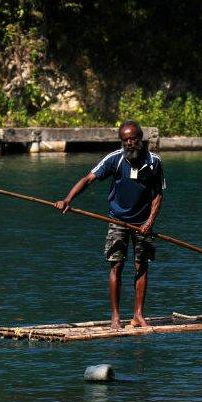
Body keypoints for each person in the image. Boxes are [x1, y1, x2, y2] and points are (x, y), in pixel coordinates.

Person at [54, 121, 165, 329]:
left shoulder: (154, 162)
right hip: (117, 220)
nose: (130, 143)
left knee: (142, 265)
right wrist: (68, 199)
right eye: (125, 140)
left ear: (141, 139)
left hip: (143, 222)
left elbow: (158, 194)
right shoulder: (115, 159)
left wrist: (149, 222)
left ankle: (138, 315)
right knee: (116, 265)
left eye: (133, 139)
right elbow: (88, 179)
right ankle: (115, 317)